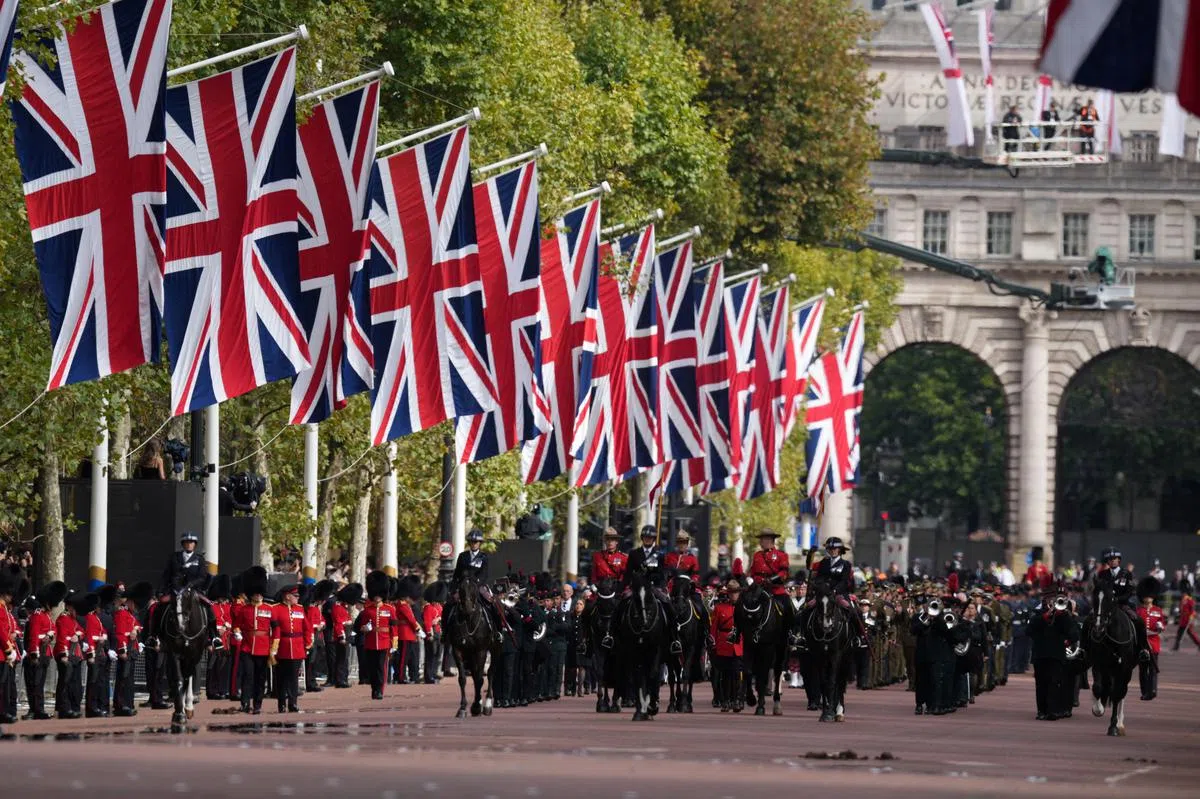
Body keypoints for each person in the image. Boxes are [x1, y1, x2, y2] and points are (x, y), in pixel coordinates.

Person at [153, 532, 222, 650]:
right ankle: (154, 636)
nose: (189, 545)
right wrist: (161, 590)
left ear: (195, 545)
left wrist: (191, 584)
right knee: (159, 607)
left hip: (194, 590)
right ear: (183, 544)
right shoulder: (174, 557)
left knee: (209, 608)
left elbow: (202, 577)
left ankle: (214, 636)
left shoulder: (199, 559)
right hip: (176, 590)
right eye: (187, 542)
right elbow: (166, 575)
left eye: (191, 543)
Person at [623, 525, 682, 654]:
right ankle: (612, 634)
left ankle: (674, 638)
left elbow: (663, 572)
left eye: (650, 538)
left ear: (654, 539)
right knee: (621, 604)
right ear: (642, 538)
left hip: (654, 586)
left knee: (667, 604)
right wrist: (623, 588)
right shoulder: (634, 553)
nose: (647, 540)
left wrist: (654, 575)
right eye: (645, 537)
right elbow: (628, 573)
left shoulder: (660, 554)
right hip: (637, 587)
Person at [1029, 584, 1080, 720]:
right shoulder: (1037, 613)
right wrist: (1044, 617)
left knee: (1054, 682)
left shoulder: (1063, 615)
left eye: (1053, 598)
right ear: (1045, 600)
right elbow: (1028, 630)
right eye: (1048, 599)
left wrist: (1063, 617)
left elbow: (1074, 634)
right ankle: (1042, 711)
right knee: (1041, 683)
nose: (1051, 601)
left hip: (1056, 654)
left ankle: (1052, 711)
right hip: (1040, 654)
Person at [807, 537, 868, 648]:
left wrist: (834, 590)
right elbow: (819, 578)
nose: (832, 550)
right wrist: (822, 587)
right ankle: (802, 636)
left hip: (839, 593)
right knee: (806, 608)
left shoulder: (846, 564)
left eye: (835, 548)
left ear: (840, 550)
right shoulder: (823, 563)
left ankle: (858, 637)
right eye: (830, 548)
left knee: (855, 611)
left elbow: (845, 581)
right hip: (823, 593)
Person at [1091, 548, 1151, 662]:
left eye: (1115, 559)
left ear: (1119, 560)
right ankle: (1085, 648)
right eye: (1110, 559)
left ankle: (1143, 649)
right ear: (1107, 562)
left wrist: (1117, 599)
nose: (1112, 561)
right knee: (1089, 621)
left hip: (1121, 605)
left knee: (1139, 621)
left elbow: (1129, 592)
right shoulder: (1102, 574)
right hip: (1105, 606)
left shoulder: (1126, 574)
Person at [233, 566, 273, 714]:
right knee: (248, 676)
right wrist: (237, 633)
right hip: (247, 647)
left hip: (263, 647)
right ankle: (245, 702)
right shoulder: (244, 609)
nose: (258, 596)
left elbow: (274, 629)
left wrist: (273, 647)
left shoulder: (269, 609)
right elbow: (236, 625)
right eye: (255, 594)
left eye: (259, 594)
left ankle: (257, 704)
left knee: (260, 678)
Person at [451, 528, 503, 643]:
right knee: (449, 606)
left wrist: (476, 584)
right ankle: (446, 633)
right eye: (472, 542)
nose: (474, 544)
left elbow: (484, 574)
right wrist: (454, 589)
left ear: (480, 543)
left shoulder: (484, 557)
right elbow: (456, 574)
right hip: (464, 586)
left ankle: (497, 631)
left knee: (492, 603)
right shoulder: (462, 556)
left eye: (476, 542)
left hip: (478, 586)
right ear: (469, 543)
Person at [269, 583, 312, 714]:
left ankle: (293, 703)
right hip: (282, 646)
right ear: (287, 596)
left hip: (298, 647)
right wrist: (273, 648)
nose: (298, 598)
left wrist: (307, 643)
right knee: (281, 678)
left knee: (294, 677)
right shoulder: (275, 609)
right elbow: (272, 630)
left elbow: (307, 628)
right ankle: (281, 703)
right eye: (295, 596)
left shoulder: (299, 609)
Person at [355, 571, 398, 700]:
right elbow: (362, 627)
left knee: (381, 667)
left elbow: (394, 627)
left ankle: (380, 690)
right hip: (371, 641)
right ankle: (374, 689)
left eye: (379, 595)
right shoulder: (367, 610)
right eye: (375, 594)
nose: (377, 597)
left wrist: (394, 644)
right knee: (372, 668)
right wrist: (365, 628)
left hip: (384, 641)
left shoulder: (390, 609)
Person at [711, 580, 743, 712]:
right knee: (724, 675)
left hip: (738, 643)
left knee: (736, 674)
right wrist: (712, 642)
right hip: (724, 644)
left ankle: (736, 700)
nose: (733, 595)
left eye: (735, 593)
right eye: (731, 593)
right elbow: (714, 628)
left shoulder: (743, 607)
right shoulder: (720, 608)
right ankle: (725, 701)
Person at [0, 564, 26, 723]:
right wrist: (9, 649)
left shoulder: (4, 608)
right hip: (3, 653)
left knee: (4, 688)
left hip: (4, 654)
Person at [1136, 578, 1164, 700]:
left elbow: (1162, 624)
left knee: (1153, 668)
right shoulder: (1138, 611)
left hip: (1153, 642)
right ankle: (1144, 691)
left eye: (1150, 596)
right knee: (1143, 669)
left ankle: (1152, 690)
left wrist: (1160, 626)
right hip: (1142, 643)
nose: (1148, 598)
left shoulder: (1158, 611)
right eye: (1146, 596)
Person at [1172, 585, 1199, 651]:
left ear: (1186, 593)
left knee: (1191, 634)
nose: (1182, 593)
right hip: (1182, 620)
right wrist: (1178, 612)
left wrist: (1191, 617)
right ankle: (1176, 646)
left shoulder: (1190, 600)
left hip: (1188, 620)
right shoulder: (1182, 600)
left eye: (1183, 592)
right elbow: (1181, 610)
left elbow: (1193, 611)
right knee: (1179, 634)